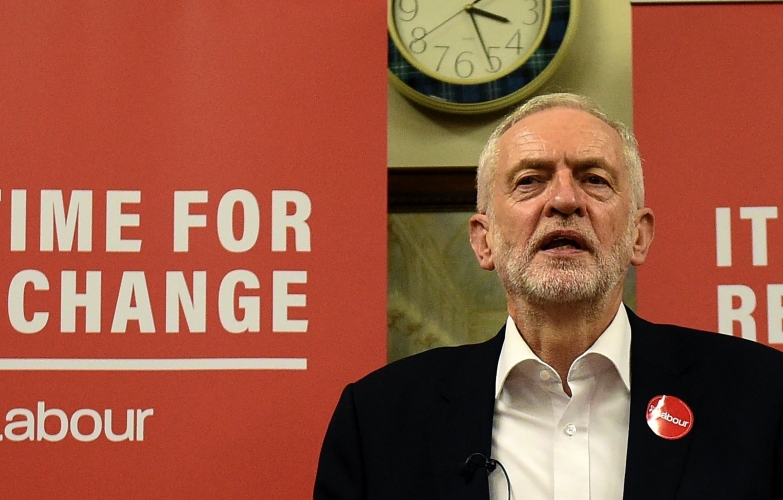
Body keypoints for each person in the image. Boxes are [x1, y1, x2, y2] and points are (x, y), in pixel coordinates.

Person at [314, 93, 783, 500]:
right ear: (484, 241)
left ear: (639, 237)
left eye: (594, 179)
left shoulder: (762, 399)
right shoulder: (379, 422)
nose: (564, 200)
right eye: (529, 180)